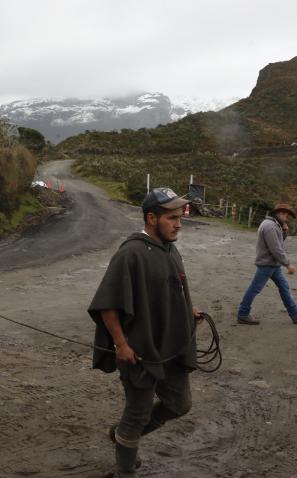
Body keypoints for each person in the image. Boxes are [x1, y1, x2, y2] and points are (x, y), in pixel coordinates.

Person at [88, 187, 202, 478]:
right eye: (172, 218)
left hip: (171, 347)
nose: (178, 224)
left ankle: (123, 435)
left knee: (179, 404)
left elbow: (168, 291)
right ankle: (125, 468)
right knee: (137, 414)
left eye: (180, 217)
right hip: (139, 351)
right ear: (151, 218)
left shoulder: (170, 250)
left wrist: (188, 312)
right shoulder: (131, 254)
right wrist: (121, 345)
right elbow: (108, 306)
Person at [237, 203, 297, 325]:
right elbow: (275, 248)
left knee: (284, 287)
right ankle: (243, 314)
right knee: (254, 289)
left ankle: (295, 314)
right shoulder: (270, 226)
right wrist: (287, 264)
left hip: (272, 264)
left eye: (287, 215)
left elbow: (279, 241)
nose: (286, 217)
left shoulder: (274, 225)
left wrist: (284, 232)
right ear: (279, 213)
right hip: (267, 264)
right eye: (285, 214)